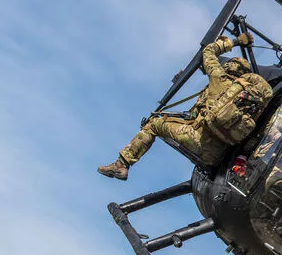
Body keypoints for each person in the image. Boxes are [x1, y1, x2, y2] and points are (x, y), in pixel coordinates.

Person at [98, 32, 270, 180]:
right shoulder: (250, 105)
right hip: (217, 157)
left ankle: (122, 165)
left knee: (153, 124)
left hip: (197, 139)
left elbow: (209, 50)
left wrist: (236, 41)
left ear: (229, 67)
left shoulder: (219, 78)